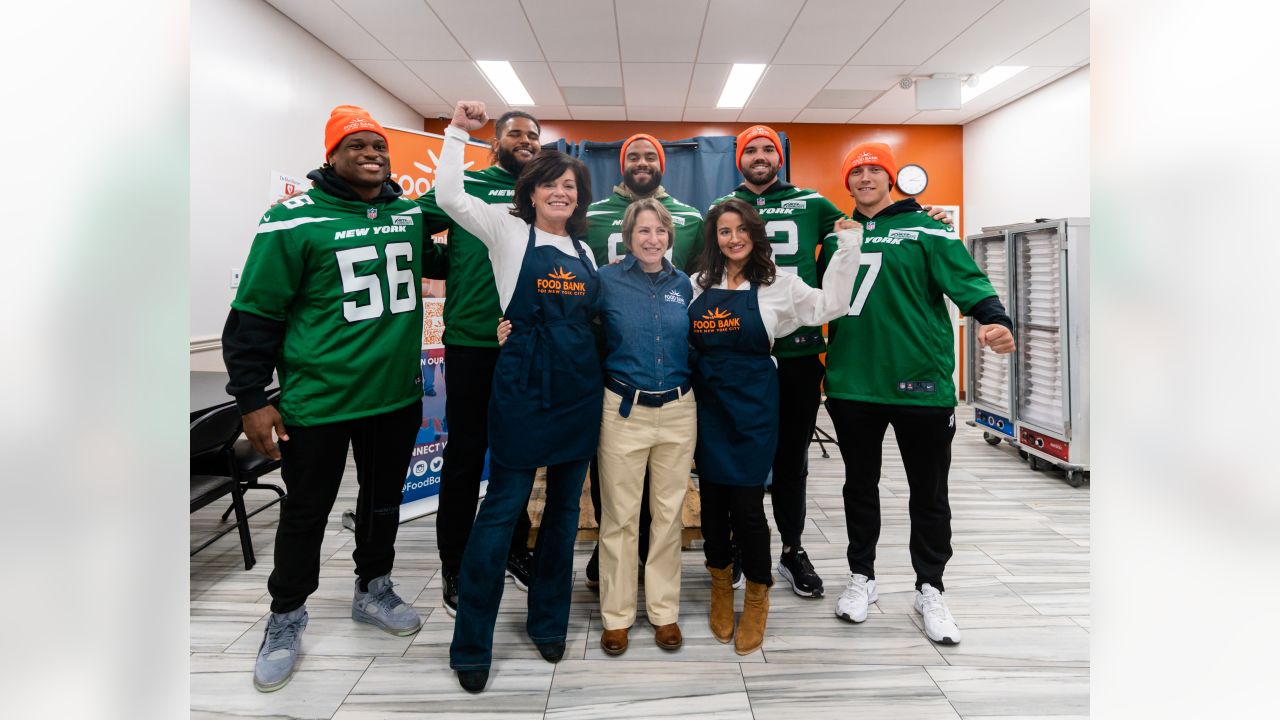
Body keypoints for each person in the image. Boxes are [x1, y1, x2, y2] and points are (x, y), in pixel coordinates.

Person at [222, 106, 424, 692]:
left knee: (384, 502)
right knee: (306, 510)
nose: (372, 154)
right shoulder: (291, 218)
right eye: (357, 145)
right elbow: (254, 315)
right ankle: (285, 616)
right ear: (331, 155)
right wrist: (251, 398)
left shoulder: (407, 212)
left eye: (379, 146)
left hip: (393, 398)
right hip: (319, 401)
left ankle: (373, 587)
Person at [712, 126, 952, 598]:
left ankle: (792, 549)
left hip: (799, 353)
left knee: (792, 461)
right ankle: (740, 546)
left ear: (779, 156)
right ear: (739, 159)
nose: (760, 157)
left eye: (768, 149)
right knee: (734, 456)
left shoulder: (814, 202)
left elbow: (868, 230)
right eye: (750, 150)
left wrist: (925, 213)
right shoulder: (722, 205)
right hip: (738, 354)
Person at [821, 142, 1015, 646]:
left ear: (889, 178)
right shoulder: (839, 235)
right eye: (856, 172)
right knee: (858, 487)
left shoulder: (930, 229)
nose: (865, 178)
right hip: (852, 383)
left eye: (873, 170)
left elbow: (968, 283)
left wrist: (995, 321)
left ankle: (930, 587)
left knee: (928, 493)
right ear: (848, 183)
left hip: (920, 384)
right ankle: (862, 576)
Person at [437, 101, 601, 693]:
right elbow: (450, 197)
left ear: (579, 198)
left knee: (561, 517)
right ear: (531, 193)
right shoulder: (507, 233)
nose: (561, 193)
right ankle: (472, 640)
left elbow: (594, 321)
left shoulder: (586, 254)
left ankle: (548, 621)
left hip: (579, 392)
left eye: (570, 187)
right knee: (502, 509)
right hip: (524, 387)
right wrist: (457, 131)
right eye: (551, 186)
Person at [690, 198, 861, 656]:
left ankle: (758, 595)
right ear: (715, 238)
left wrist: (847, 248)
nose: (734, 238)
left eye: (741, 229)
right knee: (711, 507)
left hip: (753, 407)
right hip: (707, 407)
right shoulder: (696, 284)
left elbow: (832, 305)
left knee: (747, 508)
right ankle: (721, 587)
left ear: (755, 234)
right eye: (724, 231)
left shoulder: (779, 284)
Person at [416, 110, 543, 616]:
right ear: (496, 142)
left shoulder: (541, 192)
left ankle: (515, 548)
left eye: (534, 135)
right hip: (472, 342)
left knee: (516, 456)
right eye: (516, 133)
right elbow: (414, 226)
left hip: (526, 345)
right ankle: (455, 562)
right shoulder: (467, 184)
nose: (527, 141)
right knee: (467, 456)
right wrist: (449, 266)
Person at [580, 133, 705, 588]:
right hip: (607, 350)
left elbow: (706, 278)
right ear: (621, 163)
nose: (642, 161)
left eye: (650, 155)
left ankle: (652, 559)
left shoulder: (691, 217)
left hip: (666, 347)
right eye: (633, 155)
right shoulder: (589, 214)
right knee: (611, 469)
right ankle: (610, 550)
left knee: (664, 483)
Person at [593, 198, 697, 655]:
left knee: (668, 515)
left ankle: (663, 612)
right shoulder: (606, 280)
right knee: (620, 516)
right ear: (627, 238)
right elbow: (575, 327)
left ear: (669, 236)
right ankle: (616, 616)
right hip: (623, 411)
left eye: (659, 231)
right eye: (642, 232)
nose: (652, 239)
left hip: (678, 410)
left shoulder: (687, 286)